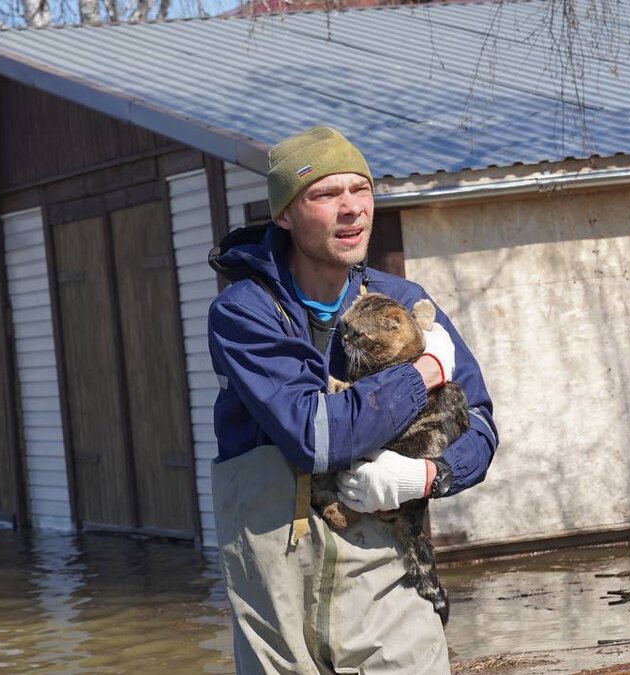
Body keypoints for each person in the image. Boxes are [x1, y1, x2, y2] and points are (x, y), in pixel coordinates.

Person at [207, 126, 498, 675]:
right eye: (325, 194)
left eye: (361, 191)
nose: (352, 210)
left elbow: (479, 424)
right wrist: (425, 371)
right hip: (276, 595)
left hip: (388, 577)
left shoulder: (406, 303)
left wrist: (430, 477)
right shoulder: (245, 313)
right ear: (285, 215)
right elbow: (317, 437)